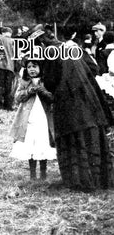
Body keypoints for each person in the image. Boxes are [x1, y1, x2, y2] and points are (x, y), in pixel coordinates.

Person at [31, 25, 114, 191]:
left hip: (69, 104)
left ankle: (80, 182)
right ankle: (101, 180)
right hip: (89, 99)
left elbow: (50, 81)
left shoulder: (52, 54)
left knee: (75, 140)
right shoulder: (71, 48)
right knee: (91, 138)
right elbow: (93, 68)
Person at [9, 60, 56, 180]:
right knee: (30, 144)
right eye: (29, 67)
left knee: (43, 143)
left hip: (43, 118)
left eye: (34, 66)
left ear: (40, 68)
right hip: (28, 118)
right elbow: (17, 97)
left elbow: (52, 97)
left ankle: (43, 173)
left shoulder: (46, 81)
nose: (31, 69)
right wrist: (28, 91)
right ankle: (32, 174)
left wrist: (42, 91)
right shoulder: (24, 82)